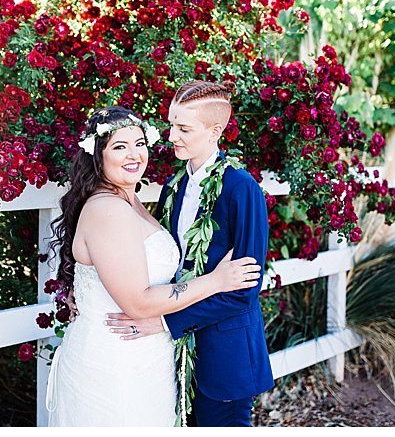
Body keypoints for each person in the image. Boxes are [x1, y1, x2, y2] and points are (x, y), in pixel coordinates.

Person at [45, 106, 261, 427]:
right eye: (120, 147)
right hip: (116, 364)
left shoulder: (133, 202)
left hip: (144, 359)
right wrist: (216, 281)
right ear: (97, 155)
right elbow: (139, 302)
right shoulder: (109, 209)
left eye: (140, 144)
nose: (134, 155)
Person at [105, 81, 275, 426]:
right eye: (171, 125)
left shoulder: (242, 189)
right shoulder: (174, 186)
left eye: (183, 128)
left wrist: (167, 322)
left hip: (224, 353)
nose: (171, 137)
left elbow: (243, 291)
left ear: (215, 131)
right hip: (173, 355)